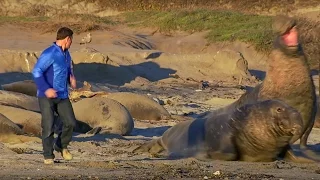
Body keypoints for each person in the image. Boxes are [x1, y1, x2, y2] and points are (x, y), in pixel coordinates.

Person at [32, 27, 77, 165]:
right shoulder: (49, 53)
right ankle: (48, 156)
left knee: (70, 123)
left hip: (62, 95)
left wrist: (71, 78)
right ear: (67, 39)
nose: (71, 43)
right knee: (48, 125)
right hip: (46, 96)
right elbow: (36, 71)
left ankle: (60, 145)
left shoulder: (67, 54)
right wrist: (46, 89)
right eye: (71, 41)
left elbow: (68, 69)